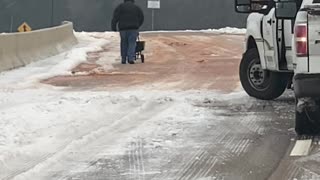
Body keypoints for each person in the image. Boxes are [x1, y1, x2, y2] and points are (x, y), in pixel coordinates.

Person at [111, 0, 144, 64]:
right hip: (133, 28)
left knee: (124, 43)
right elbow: (141, 17)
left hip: (123, 29)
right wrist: (138, 25)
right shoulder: (136, 8)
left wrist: (114, 27)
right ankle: (130, 58)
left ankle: (123, 59)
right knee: (132, 43)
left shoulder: (120, 7)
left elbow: (115, 17)